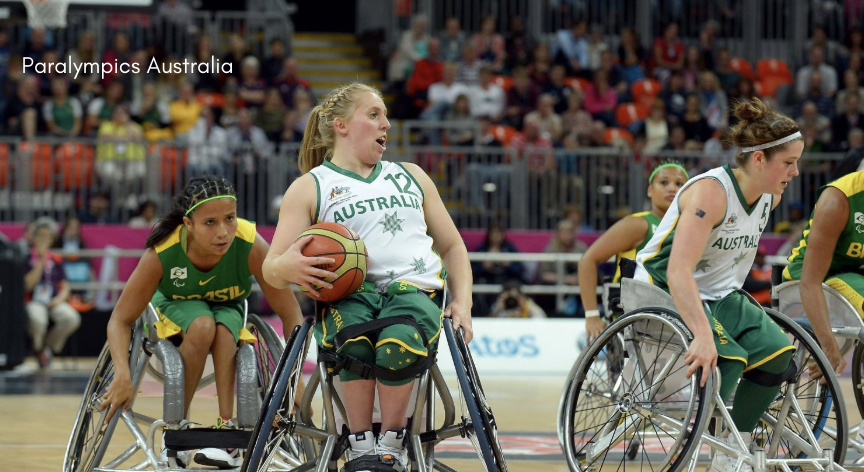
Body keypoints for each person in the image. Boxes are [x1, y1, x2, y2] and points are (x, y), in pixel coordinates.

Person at [261, 82, 473, 470]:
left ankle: (392, 443)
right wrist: (288, 267)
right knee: (353, 346)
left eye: (386, 116)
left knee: (397, 345)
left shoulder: (411, 175)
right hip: (348, 296)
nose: (386, 125)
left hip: (414, 289)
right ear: (341, 125)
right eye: (374, 115)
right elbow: (271, 267)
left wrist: (463, 301)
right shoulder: (310, 187)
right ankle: (360, 447)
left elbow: (454, 247)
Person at [634, 98, 802, 472]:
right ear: (759, 159)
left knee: (778, 354)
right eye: (788, 162)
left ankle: (731, 449)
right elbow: (678, 270)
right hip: (663, 285)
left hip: (719, 294)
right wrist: (702, 334)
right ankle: (706, 453)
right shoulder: (712, 192)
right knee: (727, 358)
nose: (795, 171)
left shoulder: (771, 197)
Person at [100, 175, 304, 469]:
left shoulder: (248, 241)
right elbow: (119, 319)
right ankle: (177, 431)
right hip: (175, 306)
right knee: (203, 325)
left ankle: (227, 431)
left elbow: (291, 314)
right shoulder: (163, 252)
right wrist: (122, 374)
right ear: (188, 225)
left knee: (222, 332)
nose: (224, 232)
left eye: (230, 218)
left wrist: (293, 379)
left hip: (228, 307)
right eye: (210, 222)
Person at [579, 161, 689, 342]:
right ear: (649, 191)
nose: (672, 188)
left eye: (679, 184)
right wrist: (591, 315)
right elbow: (587, 261)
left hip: (673, 311)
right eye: (664, 182)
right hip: (633, 313)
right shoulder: (638, 224)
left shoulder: (689, 228)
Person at [780, 168, 864, 394]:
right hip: (812, 275)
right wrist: (829, 349)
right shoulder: (839, 198)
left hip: (854, 273)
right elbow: (810, 281)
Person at [24, 217, 81, 369]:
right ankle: (38, 348)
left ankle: (47, 348)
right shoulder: (27, 257)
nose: (43, 239)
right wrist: (41, 260)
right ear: (34, 237)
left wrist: (59, 299)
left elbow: (65, 286)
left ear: (52, 239)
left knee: (71, 318)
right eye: (40, 235)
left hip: (53, 301)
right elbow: (27, 286)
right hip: (33, 301)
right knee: (38, 320)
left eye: (47, 236)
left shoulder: (56, 259)